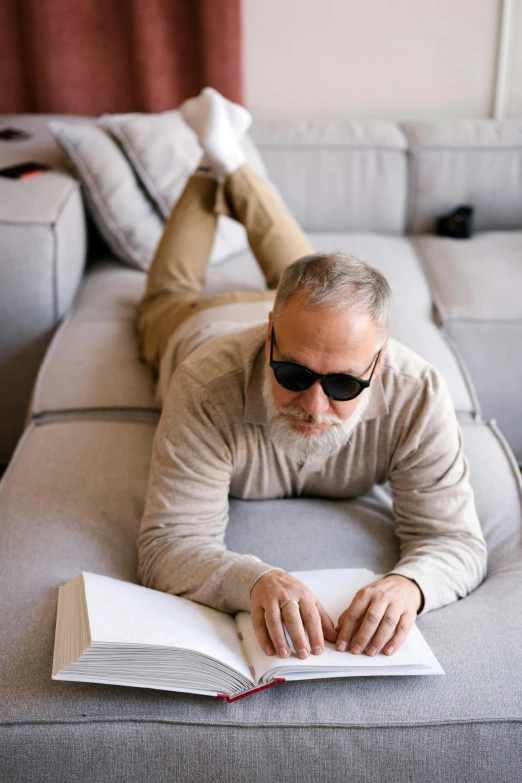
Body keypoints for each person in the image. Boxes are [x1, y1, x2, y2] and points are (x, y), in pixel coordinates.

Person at [135, 87, 487, 663]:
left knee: (313, 274)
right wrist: (251, 580)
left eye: (344, 384)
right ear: (271, 336)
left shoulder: (416, 389)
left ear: (380, 359)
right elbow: (167, 543)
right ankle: (209, 166)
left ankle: (224, 154)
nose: (315, 408)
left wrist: (411, 585)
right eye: (293, 374)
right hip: (200, 324)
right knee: (164, 293)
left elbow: (455, 542)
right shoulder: (206, 381)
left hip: (311, 319)